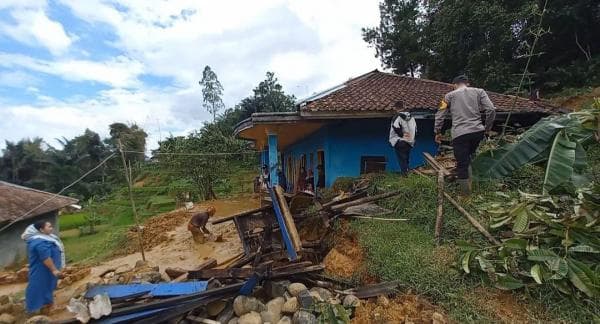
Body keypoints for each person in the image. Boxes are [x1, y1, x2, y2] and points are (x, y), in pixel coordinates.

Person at [434, 75, 496, 196]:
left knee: (462, 163)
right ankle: (473, 186)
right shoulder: (479, 91)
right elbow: (491, 109)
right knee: (468, 157)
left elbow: (439, 115)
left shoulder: (448, 96)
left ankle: (466, 196)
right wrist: (487, 129)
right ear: (467, 83)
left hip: (460, 134)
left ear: (454, 85)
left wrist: (437, 132)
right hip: (477, 132)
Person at [22, 221, 65, 314]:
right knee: (39, 287)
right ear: (41, 230)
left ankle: (49, 305)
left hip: (47, 269)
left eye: (51, 226)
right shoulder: (38, 242)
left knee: (48, 286)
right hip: (42, 270)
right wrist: (54, 269)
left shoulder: (46, 238)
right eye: (49, 227)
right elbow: (45, 257)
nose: (51, 228)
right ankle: (33, 309)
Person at [388, 111, 417, 176]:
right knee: (406, 158)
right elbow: (415, 129)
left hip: (399, 141)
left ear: (396, 108)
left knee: (402, 159)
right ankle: (407, 173)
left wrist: (402, 135)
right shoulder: (412, 118)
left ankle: (405, 175)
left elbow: (395, 127)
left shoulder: (397, 117)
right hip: (409, 142)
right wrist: (413, 139)